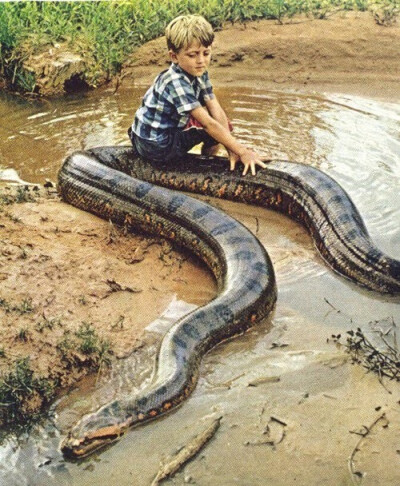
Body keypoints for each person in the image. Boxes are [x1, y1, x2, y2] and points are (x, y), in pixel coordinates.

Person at [129, 14, 267, 176]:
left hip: (146, 135)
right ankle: (204, 167)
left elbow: (215, 108)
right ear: (174, 56)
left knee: (220, 124)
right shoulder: (175, 81)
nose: (201, 60)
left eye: (206, 53)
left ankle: (212, 159)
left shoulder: (199, 72)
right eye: (192, 55)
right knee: (209, 128)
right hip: (155, 146)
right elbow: (208, 124)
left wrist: (233, 149)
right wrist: (243, 151)